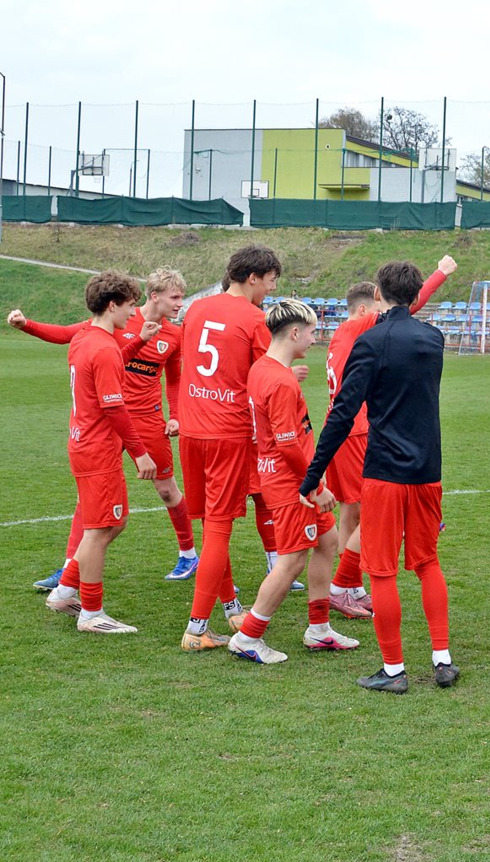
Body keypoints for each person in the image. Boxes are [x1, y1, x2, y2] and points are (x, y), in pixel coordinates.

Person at [301, 260, 457, 694]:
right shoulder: (434, 338)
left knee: (383, 572)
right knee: (428, 563)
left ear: (378, 295)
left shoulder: (370, 341)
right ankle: (442, 660)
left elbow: (342, 413)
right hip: (428, 469)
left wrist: (314, 473)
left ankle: (393, 670)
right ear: (415, 293)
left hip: (386, 469)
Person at [10, 267, 199, 587]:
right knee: (88, 498)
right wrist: (26, 325)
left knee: (167, 490)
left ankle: (189, 555)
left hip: (148, 419)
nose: (181, 303)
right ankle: (69, 568)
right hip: (111, 420)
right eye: (176, 297)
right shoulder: (118, 319)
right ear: (155, 296)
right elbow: (66, 333)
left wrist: (176, 415)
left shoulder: (173, 335)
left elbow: (175, 379)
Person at [224, 299, 357, 664]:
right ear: (295, 332)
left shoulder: (263, 368)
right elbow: (287, 444)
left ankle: (319, 628)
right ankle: (248, 637)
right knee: (292, 560)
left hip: (285, 476)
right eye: (312, 332)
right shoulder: (280, 380)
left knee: (327, 541)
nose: (315, 339)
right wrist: (315, 486)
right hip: (290, 483)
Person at [324, 258, 455, 620]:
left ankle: (349, 586)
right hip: (358, 431)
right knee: (372, 514)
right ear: (366, 308)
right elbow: (409, 305)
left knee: (353, 512)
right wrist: (440, 273)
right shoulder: (363, 327)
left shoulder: (341, 333)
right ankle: (342, 585)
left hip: (347, 432)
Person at [177, 245, 279, 651]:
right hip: (228, 433)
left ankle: (230, 606)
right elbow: (265, 379)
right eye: (270, 281)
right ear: (253, 277)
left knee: (209, 526)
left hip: (192, 429)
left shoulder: (197, 308)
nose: (271, 289)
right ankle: (196, 629)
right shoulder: (255, 319)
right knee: (219, 529)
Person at [44, 271, 157, 632]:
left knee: (115, 522)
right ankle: (91, 612)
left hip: (84, 442)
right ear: (112, 305)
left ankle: (65, 592)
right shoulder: (103, 347)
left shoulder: (85, 338)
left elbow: (108, 364)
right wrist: (140, 452)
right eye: (129, 305)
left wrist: (138, 343)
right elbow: (114, 407)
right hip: (97, 448)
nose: (133, 312)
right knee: (98, 530)